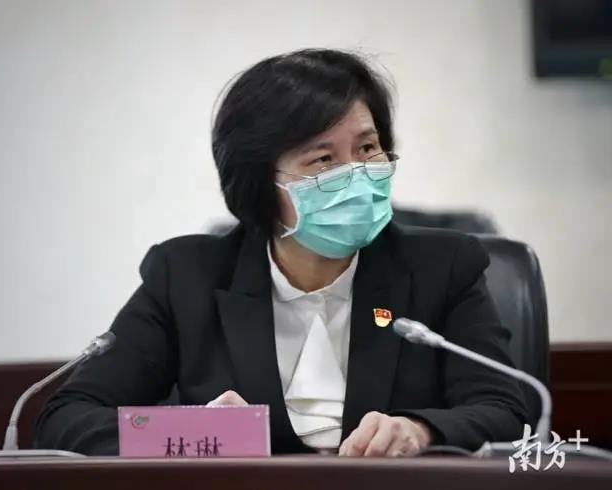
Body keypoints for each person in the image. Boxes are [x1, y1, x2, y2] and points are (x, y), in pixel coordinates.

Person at [35, 48, 529, 457]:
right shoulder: (186, 277)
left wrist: (422, 431)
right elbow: (67, 418)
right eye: (323, 160)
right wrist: (193, 435)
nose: (357, 175)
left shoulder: (442, 267)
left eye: (367, 148)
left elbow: (507, 411)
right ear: (260, 185)